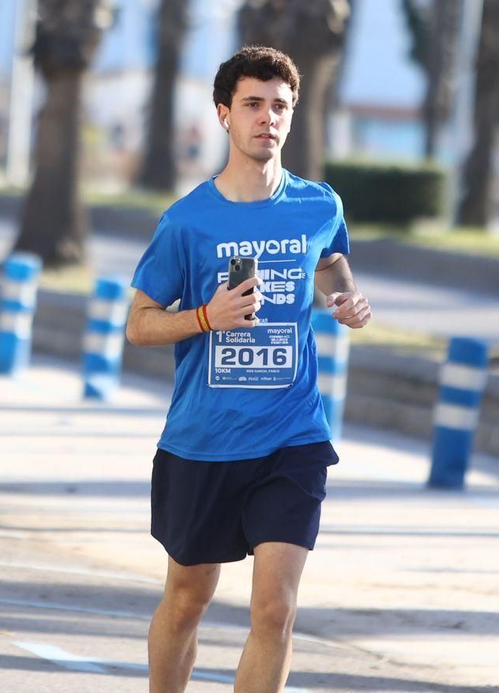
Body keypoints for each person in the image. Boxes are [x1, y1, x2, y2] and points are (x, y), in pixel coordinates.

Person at [127, 45, 372, 693]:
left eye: (280, 106)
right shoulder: (187, 221)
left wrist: (345, 298)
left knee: (276, 608)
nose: (268, 118)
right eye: (253, 105)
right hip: (204, 440)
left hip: (292, 437)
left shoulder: (319, 205)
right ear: (224, 115)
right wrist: (205, 317)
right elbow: (140, 323)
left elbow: (331, 262)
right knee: (188, 597)